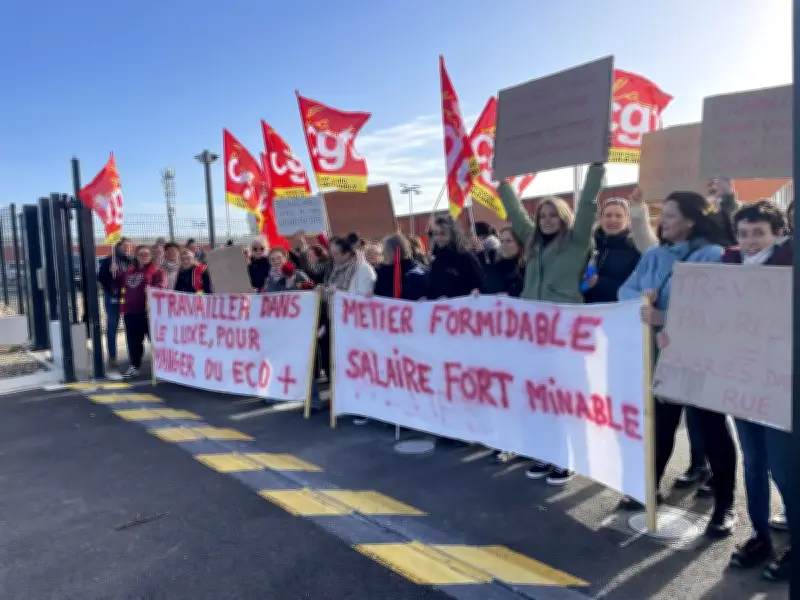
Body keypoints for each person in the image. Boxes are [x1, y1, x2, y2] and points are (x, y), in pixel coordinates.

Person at [618, 191, 736, 537]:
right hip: (660, 358)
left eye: (669, 214)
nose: (663, 220)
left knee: (713, 431)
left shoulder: (713, 256)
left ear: (691, 220)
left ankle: (725, 505)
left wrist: (662, 316)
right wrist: (642, 302)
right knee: (660, 426)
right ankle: (648, 488)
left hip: (700, 360)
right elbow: (626, 291)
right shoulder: (654, 254)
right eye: (662, 214)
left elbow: (715, 314)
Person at [496, 163, 604, 486]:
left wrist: (597, 168)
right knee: (538, 397)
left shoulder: (577, 240)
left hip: (564, 333)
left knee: (562, 398)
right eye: (542, 216)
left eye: (552, 216)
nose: (546, 221)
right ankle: (546, 454)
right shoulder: (533, 243)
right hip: (532, 333)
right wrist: (503, 185)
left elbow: (587, 204)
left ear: (564, 218)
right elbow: (517, 216)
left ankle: (567, 460)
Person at [721, 200, 791, 579]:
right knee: (753, 464)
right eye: (744, 233)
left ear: (778, 234)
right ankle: (760, 534)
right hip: (739, 379)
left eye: (758, 233)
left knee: (784, 467)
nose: (750, 240)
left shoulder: (790, 264)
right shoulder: (726, 265)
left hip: (778, 384)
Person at [117, 245, 166, 378]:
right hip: (131, 313)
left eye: (146, 254)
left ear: (151, 256)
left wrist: (153, 289)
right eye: (141, 254)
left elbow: (162, 287)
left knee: (155, 341)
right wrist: (123, 309)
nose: (144, 256)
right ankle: (134, 366)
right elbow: (123, 289)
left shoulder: (157, 270)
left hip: (150, 313)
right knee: (133, 342)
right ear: (136, 256)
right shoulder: (129, 271)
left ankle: (162, 368)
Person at [582, 198, 642, 304]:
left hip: (616, 313)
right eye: (608, 215)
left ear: (628, 220)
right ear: (601, 219)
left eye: (618, 216)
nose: (612, 219)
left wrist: (599, 282)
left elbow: (636, 288)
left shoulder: (635, 249)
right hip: (587, 311)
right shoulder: (589, 245)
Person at [96, 237, 134, 367]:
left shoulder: (133, 261)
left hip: (129, 298)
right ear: (118, 246)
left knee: (131, 327)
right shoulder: (109, 260)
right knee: (112, 326)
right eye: (125, 246)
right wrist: (109, 274)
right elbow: (101, 277)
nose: (127, 248)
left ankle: (133, 356)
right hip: (113, 298)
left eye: (129, 246)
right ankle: (112, 356)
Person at [427, 216, 483, 299]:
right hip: (442, 309)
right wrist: (430, 298)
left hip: (463, 308)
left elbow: (480, 284)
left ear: (453, 234)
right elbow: (434, 286)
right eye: (436, 234)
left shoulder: (466, 257)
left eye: (443, 234)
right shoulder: (437, 259)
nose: (438, 238)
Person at [373, 233, 428, 301]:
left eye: (386, 250)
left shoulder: (417, 273)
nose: (383, 253)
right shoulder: (381, 271)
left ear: (396, 251)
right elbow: (378, 293)